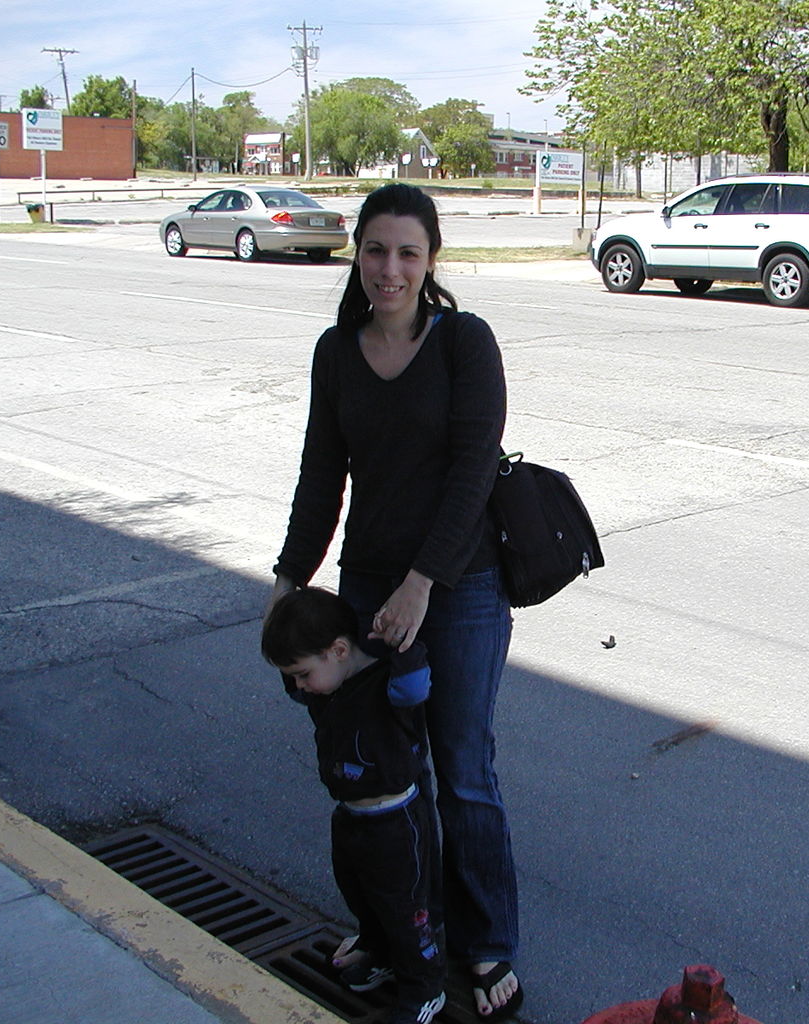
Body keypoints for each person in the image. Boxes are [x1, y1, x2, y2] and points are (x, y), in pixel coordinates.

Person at [270, 182, 522, 1017]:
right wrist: (289, 579)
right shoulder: (335, 351)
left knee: (461, 769)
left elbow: (471, 470)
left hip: (462, 586)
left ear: (431, 260)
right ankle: (398, 931)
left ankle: (485, 945)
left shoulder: (464, 344)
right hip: (369, 585)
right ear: (357, 253)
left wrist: (422, 584)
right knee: (387, 777)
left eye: (408, 252)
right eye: (376, 249)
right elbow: (321, 473)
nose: (390, 268)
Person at [262, 588, 445, 1024]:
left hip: (395, 821)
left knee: (406, 907)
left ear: (340, 650)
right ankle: (380, 953)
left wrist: (401, 642)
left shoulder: (390, 685)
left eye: (302, 674)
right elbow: (304, 679)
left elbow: (416, 682)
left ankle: (424, 985)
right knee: (361, 894)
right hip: (350, 817)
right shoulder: (327, 689)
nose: (299, 685)